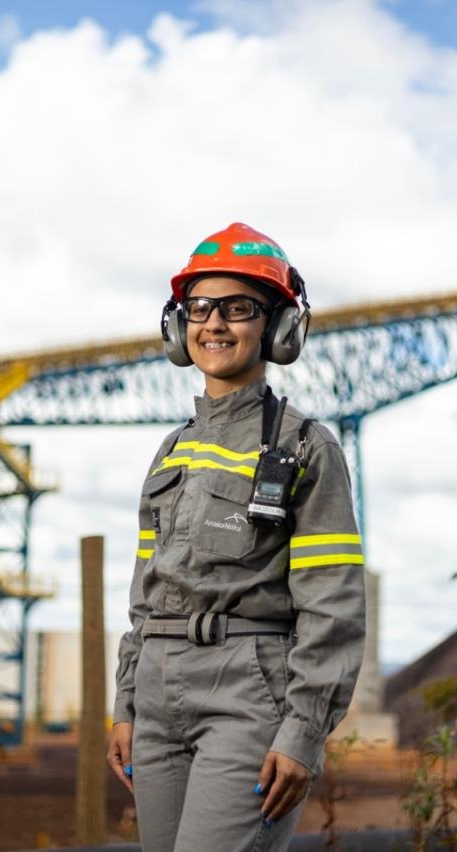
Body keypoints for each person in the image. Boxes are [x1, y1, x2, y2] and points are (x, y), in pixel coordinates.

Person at [107, 223, 366, 851]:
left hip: (248, 692)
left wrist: (303, 731)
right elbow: (147, 593)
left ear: (278, 328)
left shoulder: (306, 446)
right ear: (178, 326)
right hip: (157, 694)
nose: (215, 323)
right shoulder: (172, 450)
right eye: (199, 307)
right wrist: (126, 701)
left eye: (238, 308)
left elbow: (331, 602)